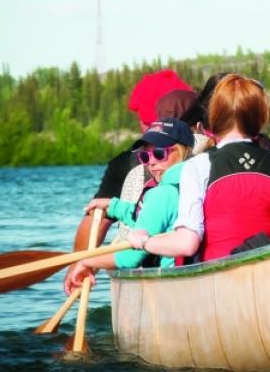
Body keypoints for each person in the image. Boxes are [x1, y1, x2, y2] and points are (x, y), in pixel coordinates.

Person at [136, 74, 270, 262]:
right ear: (260, 116)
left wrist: (143, 241)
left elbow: (187, 244)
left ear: (213, 116)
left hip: (217, 281)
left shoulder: (197, 166)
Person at [63, 70, 197, 286]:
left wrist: (81, 265)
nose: (151, 162)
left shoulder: (155, 186)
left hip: (160, 280)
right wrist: (116, 207)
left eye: (160, 153)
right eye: (146, 155)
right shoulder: (202, 169)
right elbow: (154, 218)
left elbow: (127, 251)